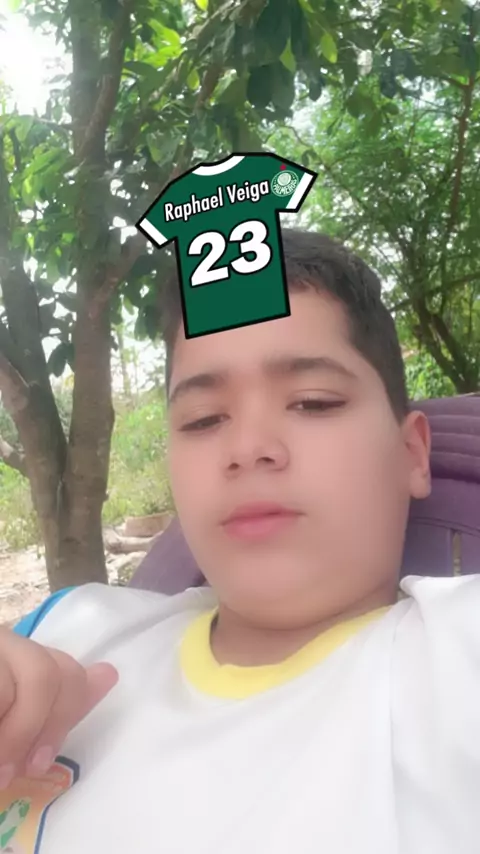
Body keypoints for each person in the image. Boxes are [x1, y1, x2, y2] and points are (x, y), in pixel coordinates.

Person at [0, 228, 478, 854]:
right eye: (203, 419)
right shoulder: (69, 631)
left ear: (412, 453)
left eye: (312, 403)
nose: (248, 448)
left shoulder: (456, 662)